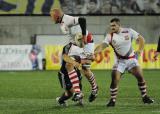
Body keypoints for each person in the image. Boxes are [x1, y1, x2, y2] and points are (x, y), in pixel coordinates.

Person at [94, 18, 154, 107]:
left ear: (119, 25)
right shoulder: (109, 36)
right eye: (111, 26)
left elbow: (141, 39)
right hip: (119, 61)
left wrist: (140, 51)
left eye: (114, 25)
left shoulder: (129, 31)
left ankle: (145, 97)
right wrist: (94, 52)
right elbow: (103, 46)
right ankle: (112, 101)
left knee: (140, 77)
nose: (112, 27)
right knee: (115, 80)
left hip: (131, 60)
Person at [50, 8, 98, 102]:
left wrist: (84, 35)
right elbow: (72, 35)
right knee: (69, 64)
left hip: (87, 42)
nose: (51, 18)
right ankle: (78, 92)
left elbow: (82, 20)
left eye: (52, 16)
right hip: (75, 44)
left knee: (85, 69)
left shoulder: (67, 19)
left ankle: (95, 88)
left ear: (57, 16)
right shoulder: (62, 24)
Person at [56, 33, 85, 106]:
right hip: (64, 73)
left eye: (82, 40)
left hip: (76, 71)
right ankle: (60, 100)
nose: (81, 41)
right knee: (69, 93)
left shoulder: (84, 47)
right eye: (79, 40)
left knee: (79, 87)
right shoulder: (68, 47)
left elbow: (87, 59)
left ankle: (79, 100)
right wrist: (74, 62)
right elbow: (65, 57)